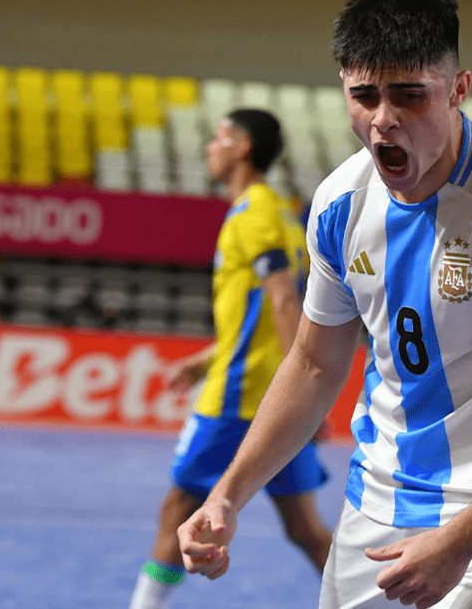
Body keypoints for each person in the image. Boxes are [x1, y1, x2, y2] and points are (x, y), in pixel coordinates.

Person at [177, 0, 472, 609]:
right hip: (374, 508)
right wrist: (226, 495)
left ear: (458, 88)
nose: (384, 119)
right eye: (364, 96)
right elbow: (315, 363)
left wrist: (461, 541)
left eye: (410, 95)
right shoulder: (337, 205)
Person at [129, 109, 333, 609]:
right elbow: (259, 317)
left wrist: (307, 392)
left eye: (219, 137)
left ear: (242, 148)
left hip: (241, 398)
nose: (209, 147)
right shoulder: (276, 212)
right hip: (271, 395)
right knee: (305, 528)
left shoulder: (255, 213)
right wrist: (203, 360)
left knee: (178, 507)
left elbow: (286, 302)